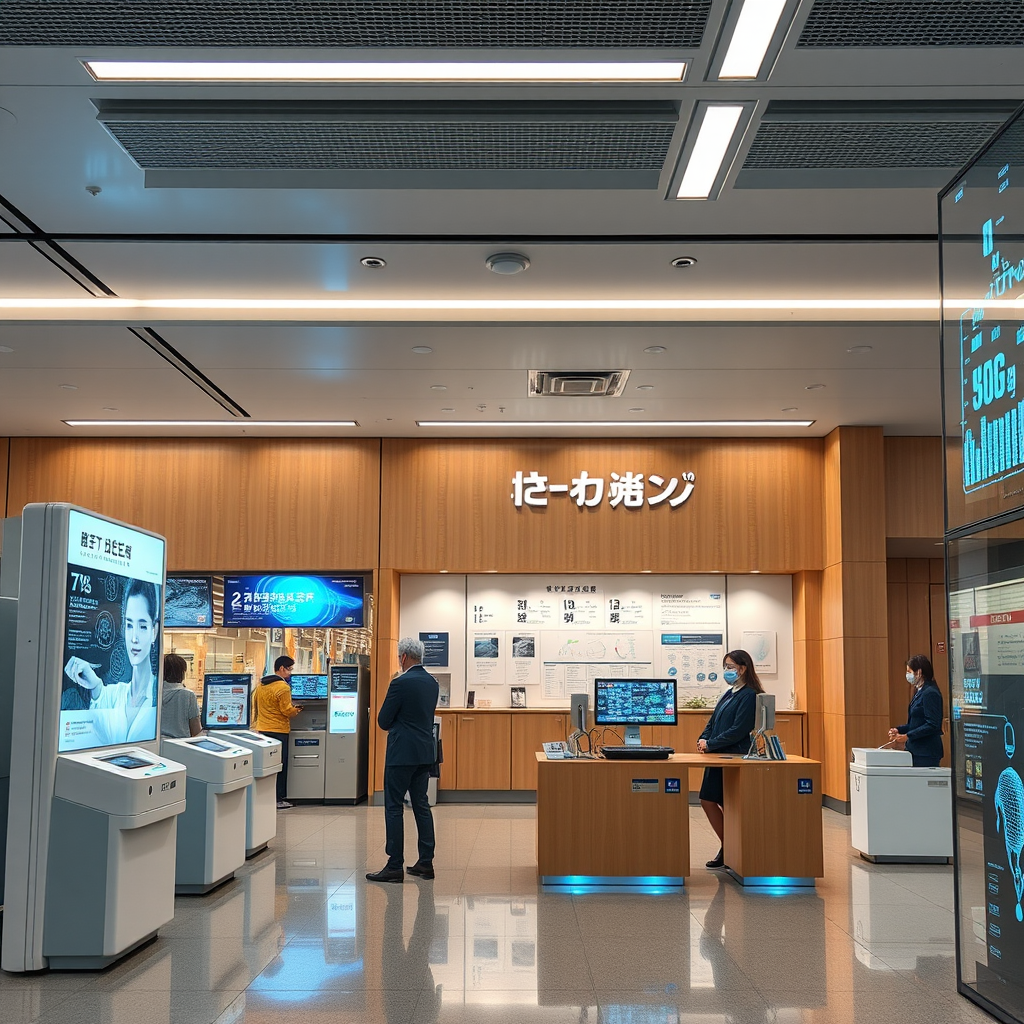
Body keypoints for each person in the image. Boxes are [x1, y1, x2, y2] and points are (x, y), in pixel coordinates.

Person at [367, 637, 439, 883]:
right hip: (424, 753)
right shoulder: (432, 682)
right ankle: (425, 862)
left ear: (404, 657)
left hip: (401, 754)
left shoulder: (400, 683)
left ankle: (394, 865)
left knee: (394, 806)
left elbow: (384, 721)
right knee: (421, 804)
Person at [63, 578, 160, 746]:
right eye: (129, 625)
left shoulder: (157, 697)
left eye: (142, 626)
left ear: (154, 631)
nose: (134, 638)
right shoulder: (116, 695)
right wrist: (93, 685)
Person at [697, 649, 762, 869]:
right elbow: (713, 721)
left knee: (728, 803)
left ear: (743, 668)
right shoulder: (729, 692)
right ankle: (729, 845)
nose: (727, 671)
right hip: (718, 756)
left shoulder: (749, 695)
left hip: (733, 756)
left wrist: (712, 744)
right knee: (707, 799)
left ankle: (732, 848)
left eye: (731, 667)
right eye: (725, 667)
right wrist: (704, 738)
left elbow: (738, 730)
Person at [253, 655, 302, 808]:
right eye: (289, 669)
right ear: (282, 668)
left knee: (268, 765)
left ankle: (267, 797)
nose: (290, 673)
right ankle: (279, 798)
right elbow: (286, 710)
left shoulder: (261, 685)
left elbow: (255, 705)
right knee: (281, 765)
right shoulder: (283, 687)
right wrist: (297, 710)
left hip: (263, 729)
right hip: (279, 730)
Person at [888, 654, 944, 767]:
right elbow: (915, 723)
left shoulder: (930, 693)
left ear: (918, 672)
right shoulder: (919, 691)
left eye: (909, 671)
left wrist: (908, 736)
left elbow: (933, 724)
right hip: (916, 750)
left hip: (926, 752)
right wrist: (898, 730)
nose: (907, 675)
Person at [161, 652, 201, 738]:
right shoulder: (188, 695)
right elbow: (196, 730)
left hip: (155, 747)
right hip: (181, 746)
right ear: (182, 673)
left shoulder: (153, 694)